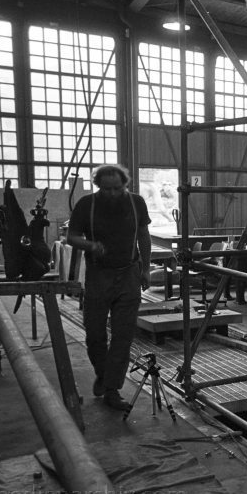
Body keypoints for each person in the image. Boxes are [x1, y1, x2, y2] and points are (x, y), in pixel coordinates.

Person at [67, 164, 151, 411]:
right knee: (94, 333)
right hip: (98, 275)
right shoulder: (86, 205)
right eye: (107, 189)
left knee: (123, 336)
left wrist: (145, 269)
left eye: (117, 188)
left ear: (125, 184)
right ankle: (103, 375)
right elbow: (71, 237)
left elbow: (143, 235)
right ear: (98, 187)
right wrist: (91, 246)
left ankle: (112, 389)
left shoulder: (136, 203)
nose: (113, 193)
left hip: (128, 274)